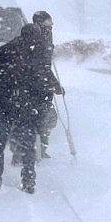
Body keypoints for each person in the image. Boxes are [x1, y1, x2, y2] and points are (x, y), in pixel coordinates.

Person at [0, 22, 54, 194]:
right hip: (27, 109)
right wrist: (41, 105)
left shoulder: (6, 50)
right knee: (28, 146)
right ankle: (28, 181)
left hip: (4, 106)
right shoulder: (38, 54)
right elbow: (43, 83)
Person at [31, 10, 66, 158]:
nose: (52, 24)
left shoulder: (46, 35)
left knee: (44, 118)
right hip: (37, 85)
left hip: (42, 84)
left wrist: (53, 83)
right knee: (44, 118)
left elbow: (45, 66)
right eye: (49, 21)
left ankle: (37, 149)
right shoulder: (38, 37)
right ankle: (35, 150)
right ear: (40, 22)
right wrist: (53, 83)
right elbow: (39, 66)